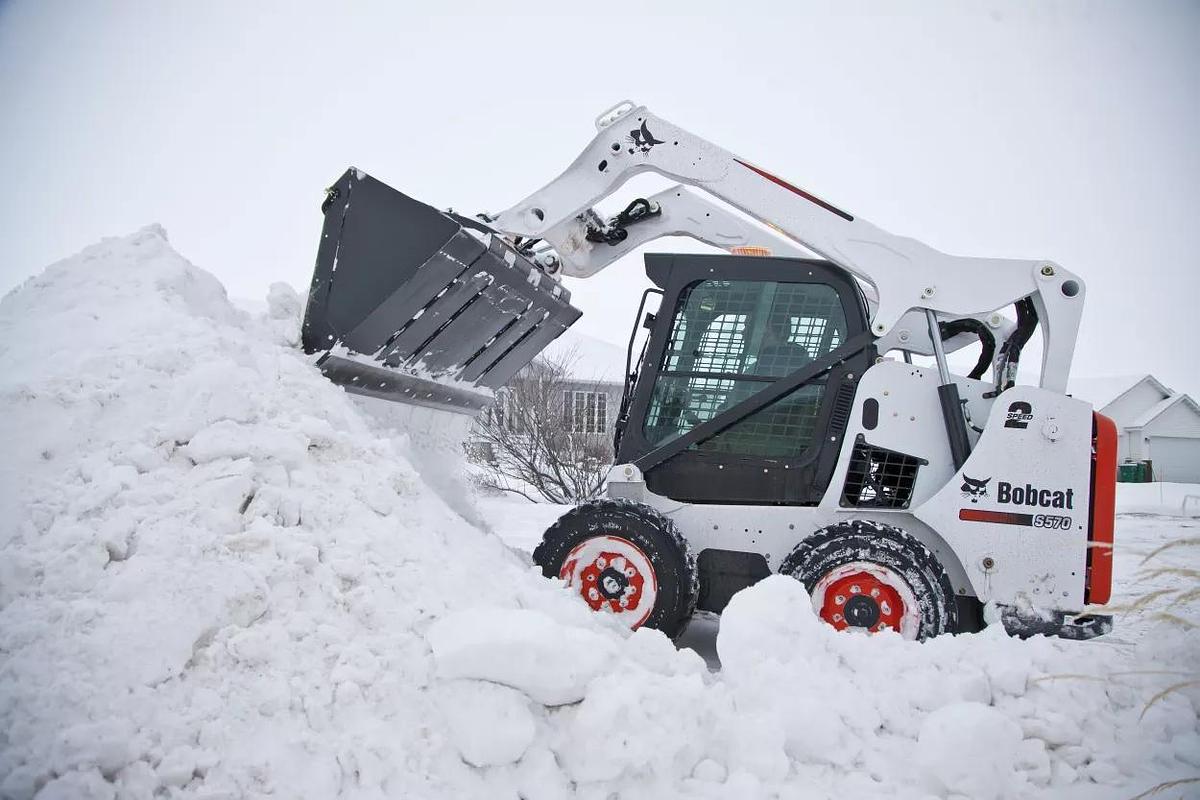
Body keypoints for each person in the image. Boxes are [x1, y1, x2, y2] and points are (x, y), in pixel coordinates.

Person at [751, 313, 811, 377]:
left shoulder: (762, 367)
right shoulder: (810, 366)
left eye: (748, 327)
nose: (743, 332)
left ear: (768, 330)